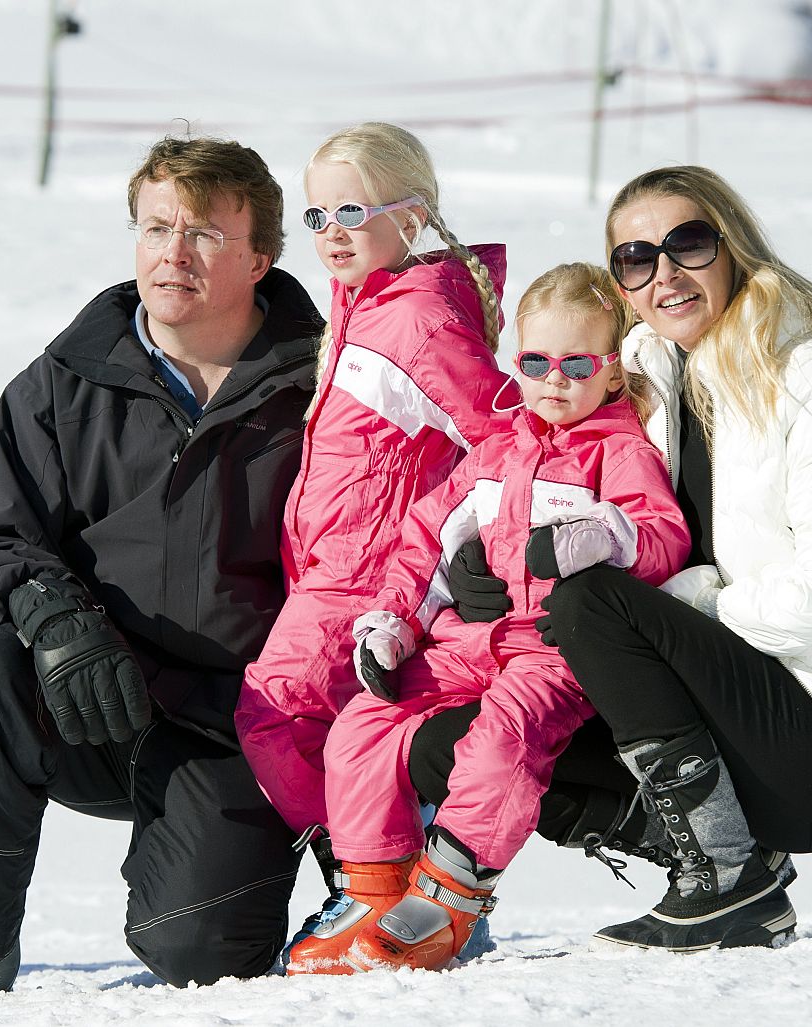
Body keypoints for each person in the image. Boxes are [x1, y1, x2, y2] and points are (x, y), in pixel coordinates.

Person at [0, 136, 327, 1000]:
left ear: (260, 257)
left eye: (204, 233)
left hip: (243, 724)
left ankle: (370, 883)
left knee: (203, 953)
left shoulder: (325, 388)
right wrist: (54, 617)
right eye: (156, 227)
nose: (173, 253)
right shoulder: (60, 384)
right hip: (93, 691)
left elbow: (372, 558)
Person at [413, 164, 812, 953]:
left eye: (687, 243)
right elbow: (551, 465)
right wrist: (489, 565)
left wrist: (691, 602)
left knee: (589, 601)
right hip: (715, 719)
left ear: (732, 245)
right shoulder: (646, 367)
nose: (665, 274)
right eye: (636, 258)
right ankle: (725, 854)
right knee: (453, 743)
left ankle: (726, 875)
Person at [284, 263, 691, 975]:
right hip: (468, 642)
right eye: (535, 363)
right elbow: (426, 541)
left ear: (611, 372)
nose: (553, 381)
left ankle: (450, 895)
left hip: (553, 651)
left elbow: (661, 535)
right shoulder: (498, 450)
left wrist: (603, 536)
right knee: (361, 726)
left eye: (576, 364)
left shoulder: (619, 451)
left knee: (502, 735)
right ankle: (373, 890)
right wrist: (393, 624)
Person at [230, 122, 513, 958]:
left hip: (371, 571)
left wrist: (456, 539)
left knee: (274, 711)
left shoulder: (417, 318)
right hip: (335, 565)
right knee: (332, 724)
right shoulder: (368, 305)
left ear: (412, 215)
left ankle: (381, 882)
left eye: (351, 211)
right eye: (317, 217)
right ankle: (396, 889)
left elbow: (503, 439)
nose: (332, 232)